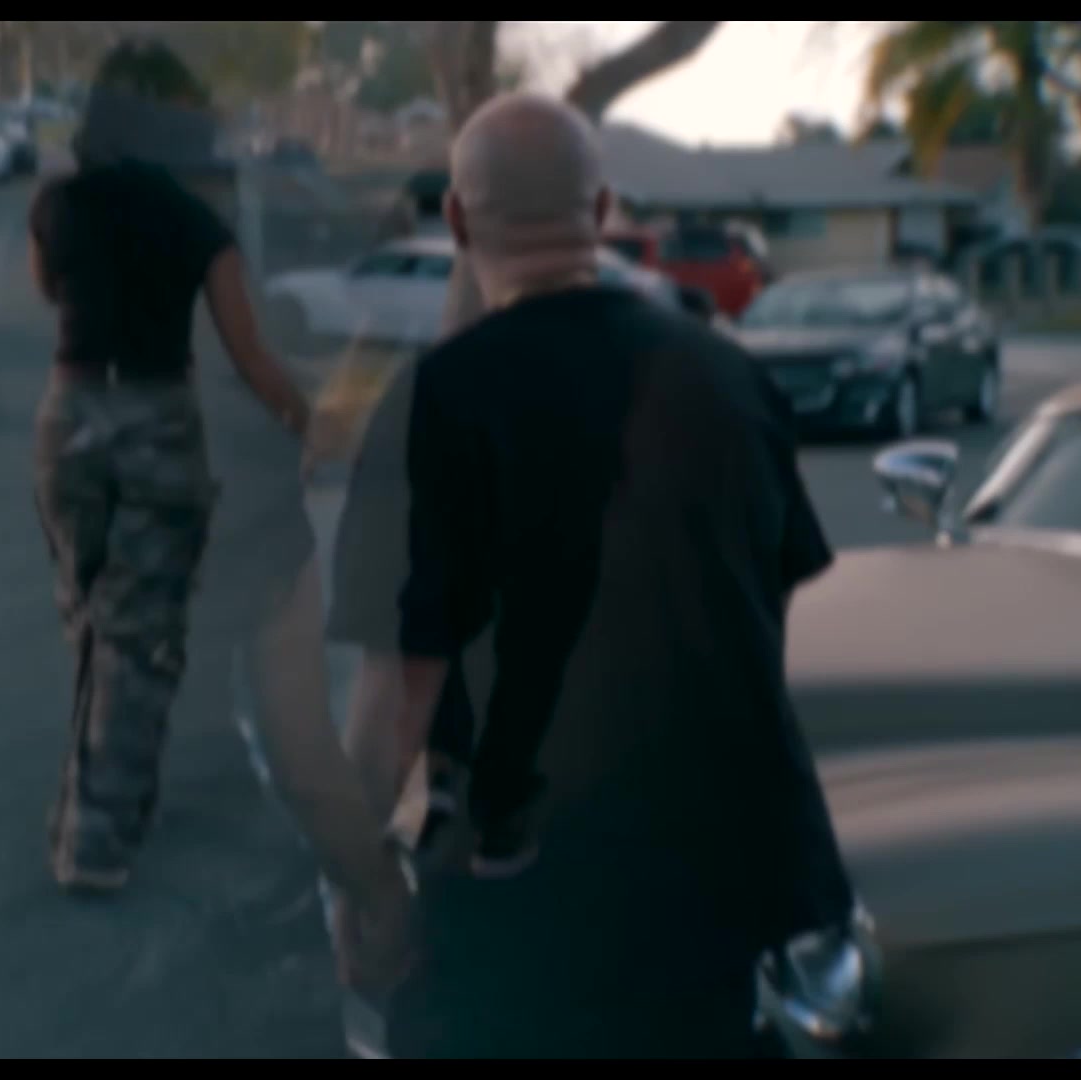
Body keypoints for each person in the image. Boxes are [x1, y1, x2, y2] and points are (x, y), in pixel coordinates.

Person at [327, 93, 856, 1059]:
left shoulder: (436, 403)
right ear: (604, 211)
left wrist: (357, 884)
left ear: (455, 220)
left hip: (523, 906)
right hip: (719, 900)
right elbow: (761, 616)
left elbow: (401, 694)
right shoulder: (730, 380)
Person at [28, 41, 408, 952]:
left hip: (67, 418)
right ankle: (96, 840)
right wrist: (305, 420)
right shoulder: (198, 222)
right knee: (140, 638)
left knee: (93, 616)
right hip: (156, 422)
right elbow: (249, 353)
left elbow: (52, 293)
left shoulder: (58, 205)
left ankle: (107, 798)